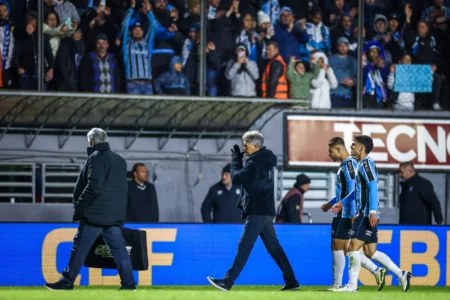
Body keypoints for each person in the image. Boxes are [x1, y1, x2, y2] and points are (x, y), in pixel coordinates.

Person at [207, 131, 299, 291]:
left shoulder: (255, 161)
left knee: (244, 246)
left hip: (257, 210)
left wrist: (236, 160)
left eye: (246, 145)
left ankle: (227, 282)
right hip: (266, 210)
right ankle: (291, 281)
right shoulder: (266, 159)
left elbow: (235, 178)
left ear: (255, 146)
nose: (244, 148)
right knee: (274, 248)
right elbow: (247, 178)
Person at [44, 128, 135, 291]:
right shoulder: (120, 160)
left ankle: (67, 282)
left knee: (79, 248)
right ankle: (129, 284)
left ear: (91, 142)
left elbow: (94, 187)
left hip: (95, 215)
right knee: (120, 251)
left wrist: (80, 207)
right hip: (113, 215)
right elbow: (120, 190)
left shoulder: (96, 157)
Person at [332, 135, 411, 292]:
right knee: (370, 252)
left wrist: (372, 212)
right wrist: (343, 202)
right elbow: (358, 191)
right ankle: (401, 274)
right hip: (368, 213)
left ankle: (352, 286)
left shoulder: (366, 164)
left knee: (351, 247)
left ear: (361, 148)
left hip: (366, 213)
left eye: (354, 145)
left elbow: (373, 187)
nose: (351, 147)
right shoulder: (362, 164)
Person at [321, 137, 386, 291]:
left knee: (342, 247)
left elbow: (354, 190)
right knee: (343, 248)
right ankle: (375, 271)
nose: (329, 154)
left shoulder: (350, 164)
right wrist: (332, 203)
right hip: (344, 212)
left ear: (338, 149)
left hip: (347, 214)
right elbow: (347, 192)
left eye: (330, 151)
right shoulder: (346, 165)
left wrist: (353, 213)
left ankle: (338, 284)